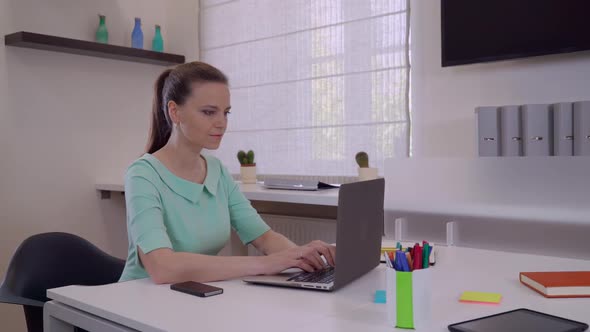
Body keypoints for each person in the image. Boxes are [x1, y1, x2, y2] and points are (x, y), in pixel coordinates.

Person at [119, 61, 336, 284]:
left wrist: (305, 259)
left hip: (190, 296)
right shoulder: (142, 175)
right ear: (174, 112)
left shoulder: (217, 171)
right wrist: (264, 264)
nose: (222, 123)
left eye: (226, 112)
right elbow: (162, 267)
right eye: (208, 112)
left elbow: (264, 237)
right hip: (140, 301)